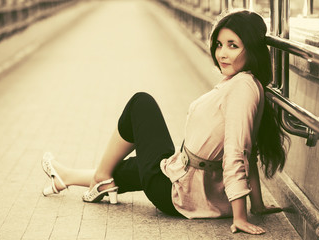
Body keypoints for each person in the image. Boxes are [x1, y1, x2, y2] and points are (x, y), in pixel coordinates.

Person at [41, 10, 289, 235]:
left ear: (253, 49)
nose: (222, 53)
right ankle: (67, 178)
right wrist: (256, 204)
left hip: (178, 194)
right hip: (188, 180)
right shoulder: (248, 83)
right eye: (219, 44)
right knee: (133, 168)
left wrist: (241, 218)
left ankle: (103, 176)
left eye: (233, 46)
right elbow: (251, 152)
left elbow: (238, 154)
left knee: (141, 103)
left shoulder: (242, 89)